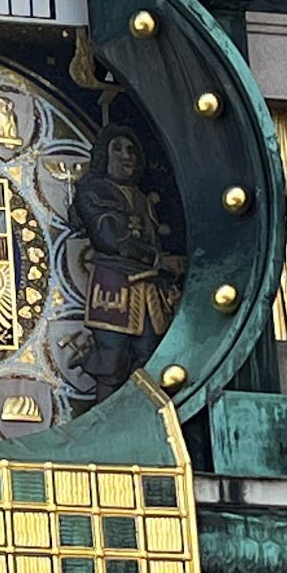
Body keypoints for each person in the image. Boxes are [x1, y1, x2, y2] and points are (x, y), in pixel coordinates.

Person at [70, 124, 181, 399]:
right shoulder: (93, 191)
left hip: (149, 290)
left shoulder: (143, 199)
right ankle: (107, 420)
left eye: (131, 150)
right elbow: (110, 238)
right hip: (114, 285)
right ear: (103, 156)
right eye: (117, 149)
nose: (126, 155)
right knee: (113, 360)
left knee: (149, 358)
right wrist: (159, 260)